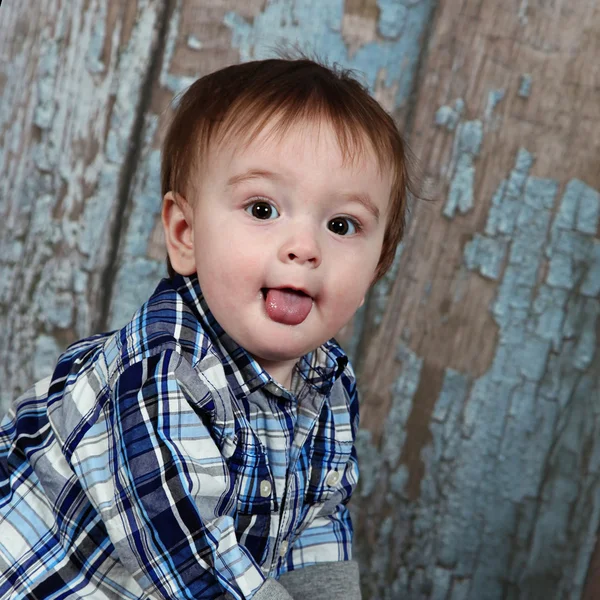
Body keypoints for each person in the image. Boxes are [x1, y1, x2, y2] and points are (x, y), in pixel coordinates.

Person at [0, 56, 411, 599]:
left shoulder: (328, 384)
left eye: (341, 225)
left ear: (377, 266)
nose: (304, 248)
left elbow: (317, 523)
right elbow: (186, 554)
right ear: (186, 233)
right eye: (262, 209)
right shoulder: (159, 371)